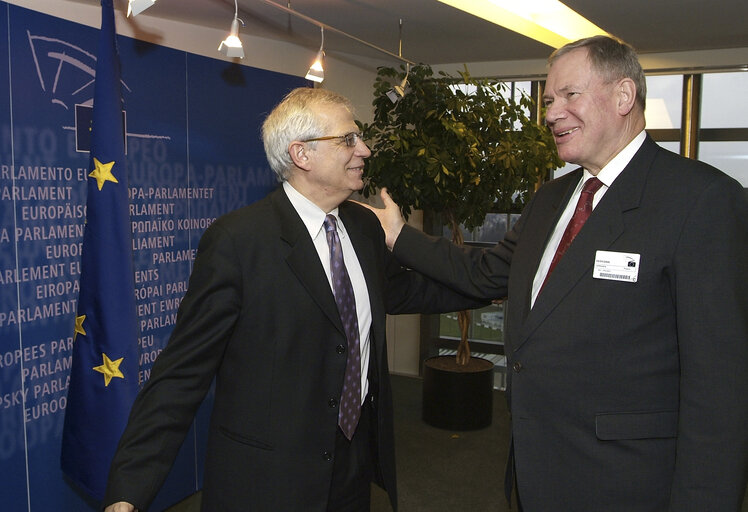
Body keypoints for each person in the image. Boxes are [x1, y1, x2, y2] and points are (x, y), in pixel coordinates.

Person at [367, 35, 748, 511]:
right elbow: (483, 273)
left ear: (624, 97)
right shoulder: (551, 199)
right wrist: (401, 236)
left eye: (570, 95)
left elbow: (720, 393)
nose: (550, 113)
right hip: (535, 473)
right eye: (548, 100)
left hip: (630, 486)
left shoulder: (701, 201)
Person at [102, 88, 484, 512]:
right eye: (348, 140)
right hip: (268, 481)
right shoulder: (238, 241)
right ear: (301, 154)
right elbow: (181, 372)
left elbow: (406, 290)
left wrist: (508, 279)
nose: (365, 149)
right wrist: (128, 491)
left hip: (351, 468)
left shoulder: (362, 226)